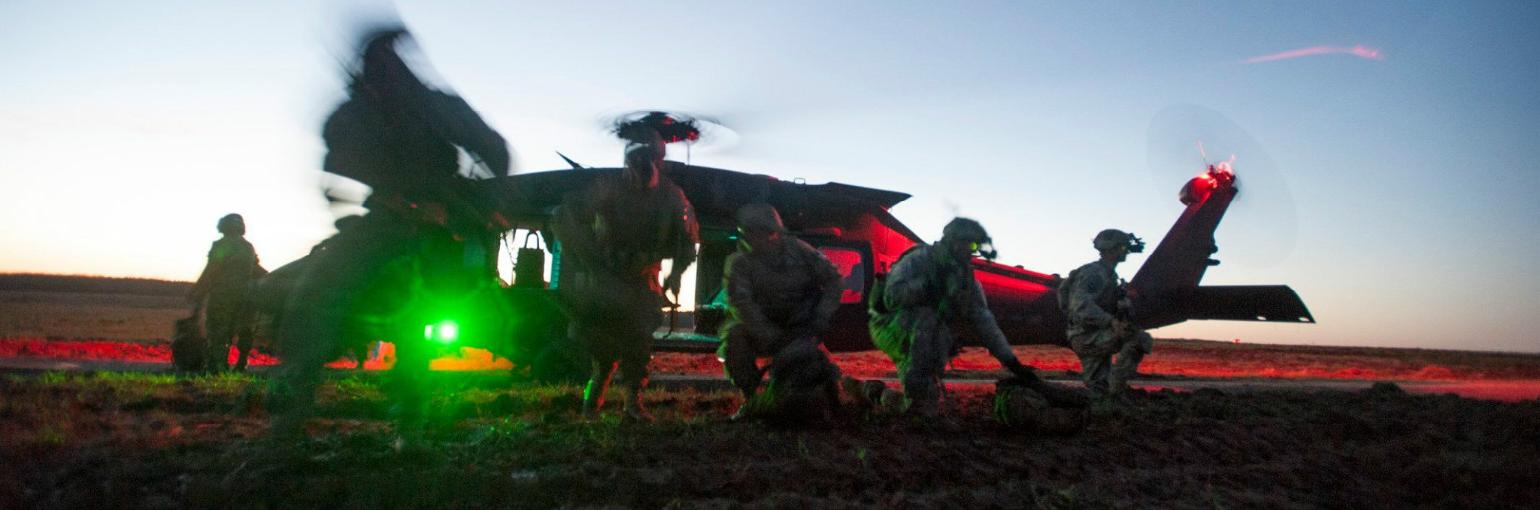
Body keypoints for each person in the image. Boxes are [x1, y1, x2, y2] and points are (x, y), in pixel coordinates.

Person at [267, 28, 511, 437]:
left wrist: (481, 204)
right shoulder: (351, 116)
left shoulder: (435, 107)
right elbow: (337, 180)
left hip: (441, 226)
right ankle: (291, 406)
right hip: (382, 221)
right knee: (315, 297)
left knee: (420, 319)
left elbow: (494, 150)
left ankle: (411, 423)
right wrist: (379, 212)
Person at [554, 112, 699, 421]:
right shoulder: (607, 188)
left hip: (642, 280)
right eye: (636, 161)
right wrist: (586, 259)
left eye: (648, 161)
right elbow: (564, 216)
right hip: (605, 278)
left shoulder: (673, 197)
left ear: (659, 162)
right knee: (603, 348)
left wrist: (674, 276)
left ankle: (632, 404)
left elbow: (687, 242)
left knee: (638, 346)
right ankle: (593, 402)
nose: (641, 169)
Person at [868, 217, 1042, 417]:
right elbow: (891, 298)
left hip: (918, 332)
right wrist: (926, 286)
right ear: (952, 241)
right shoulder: (918, 261)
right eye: (967, 244)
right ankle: (915, 394)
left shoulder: (964, 279)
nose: (970, 251)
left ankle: (877, 393)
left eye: (974, 245)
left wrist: (1011, 362)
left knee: (926, 394)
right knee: (927, 325)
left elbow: (984, 321)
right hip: (888, 325)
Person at [718, 203, 843, 421]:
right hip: (763, 331)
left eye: (755, 231)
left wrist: (820, 316)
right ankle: (751, 400)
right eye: (745, 231)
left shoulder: (800, 251)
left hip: (800, 328)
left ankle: (829, 399)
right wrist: (772, 336)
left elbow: (833, 280)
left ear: (771, 232)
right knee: (735, 339)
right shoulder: (739, 263)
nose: (748, 237)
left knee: (811, 372)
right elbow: (741, 305)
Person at [1063, 229, 1153, 400]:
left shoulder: (1108, 275)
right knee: (1139, 339)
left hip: (1089, 333)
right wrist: (1111, 322)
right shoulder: (1095, 273)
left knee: (1098, 388)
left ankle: (1103, 403)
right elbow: (1080, 304)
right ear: (1113, 249)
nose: (1126, 252)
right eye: (1122, 248)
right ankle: (1117, 390)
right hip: (1087, 336)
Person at [191, 213, 263, 372]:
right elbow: (257, 271)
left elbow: (211, 270)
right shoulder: (248, 247)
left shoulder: (221, 245)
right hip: (247, 295)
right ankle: (241, 363)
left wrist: (197, 291)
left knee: (218, 331)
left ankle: (218, 367)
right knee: (245, 329)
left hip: (222, 296)